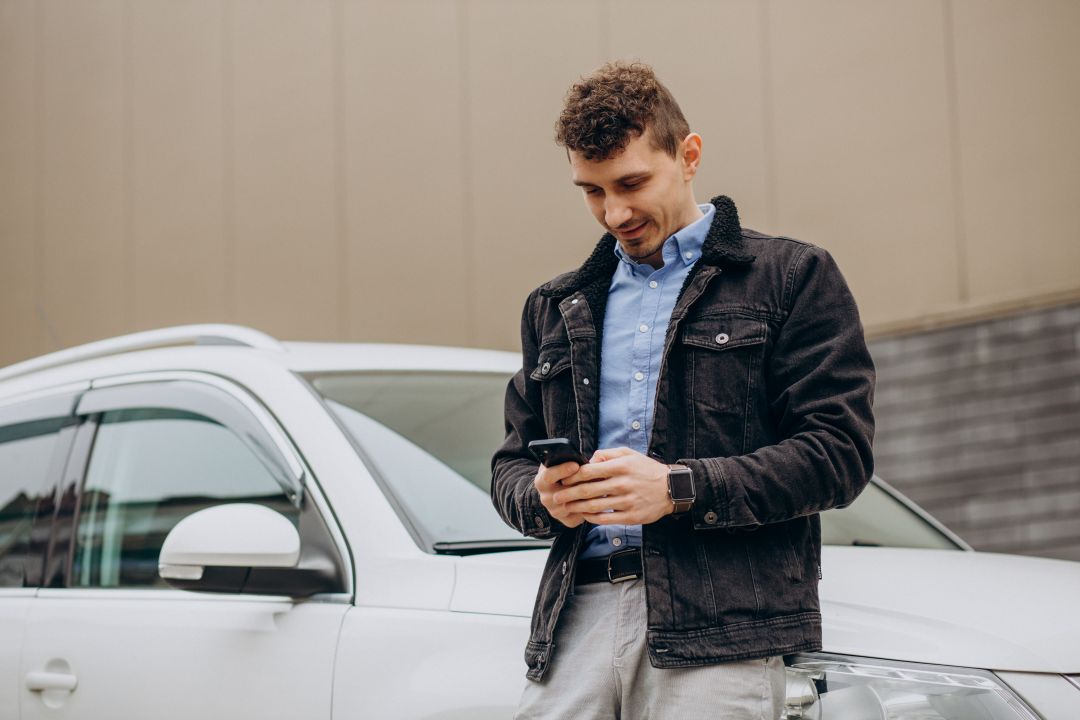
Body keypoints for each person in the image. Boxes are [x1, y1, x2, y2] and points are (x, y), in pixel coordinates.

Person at [490, 61, 875, 720]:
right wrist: (541, 495)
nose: (615, 212)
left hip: (721, 631)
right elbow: (510, 466)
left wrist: (675, 488)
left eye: (632, 183)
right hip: (573, 622)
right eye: (591, 191)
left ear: (688, 155)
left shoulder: (792, 277)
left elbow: (837, 455)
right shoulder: (556, 305)